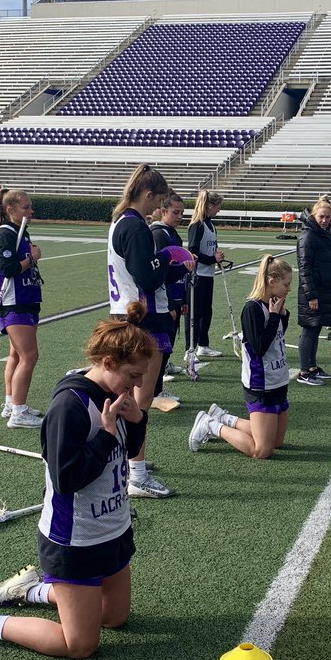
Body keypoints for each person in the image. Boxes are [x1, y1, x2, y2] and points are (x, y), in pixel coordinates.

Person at [0, 304, 155, 659]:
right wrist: (103, 436)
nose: (138, 385)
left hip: (113, 528)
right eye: (133, 375)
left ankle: (32, 590)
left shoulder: (119, 396)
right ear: (107, 362)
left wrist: (137, 421)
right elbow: (68, 479)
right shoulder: (69, 406)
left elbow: (129, 452)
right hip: (76, 538)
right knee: (80, 645)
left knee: (115, 618)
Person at [106, 163, 192, 498]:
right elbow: (146, 275)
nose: (158, 208)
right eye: (157, 200)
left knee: (128, 396)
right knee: (139, 399)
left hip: (127, 313)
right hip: (141, 316)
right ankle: (137, 474)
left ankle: (128, 462)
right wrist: (172, 264)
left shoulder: (121, 222)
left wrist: (165, 264)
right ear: (147, 194)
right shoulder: (135, 226)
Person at [190, 256, 293, 459]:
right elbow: (259, 348)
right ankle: (211, 425)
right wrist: (274, 317)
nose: (288, 288)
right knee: (261, 450)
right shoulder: (252, 309)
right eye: (286, 284)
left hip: (278, 380)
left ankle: (224, 417)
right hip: (261, 384)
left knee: (277, 443)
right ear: (271, 280)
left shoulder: (273, 303)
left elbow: (277, 337)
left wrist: (281, 315)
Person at [0, 188, 43, 428]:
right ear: (10, 209)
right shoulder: (5, 234)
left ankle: (11, 403)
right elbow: (9, 268)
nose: (30, 211)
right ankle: (19, 413)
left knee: (15, 355)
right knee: (29, 356)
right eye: (25, 207)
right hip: (15, 301)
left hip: (26, 299)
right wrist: (31, 258)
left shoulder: (18, 231)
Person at [296, 196, 331, 386]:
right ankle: (304, 371)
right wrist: (311, 294)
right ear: (314, 215)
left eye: (328, 217)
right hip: (313, 291)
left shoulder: (322, 233)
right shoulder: (308, 236)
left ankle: (312, 367)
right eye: (321, 217)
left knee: (316, 328)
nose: (324, 220)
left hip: (323, 288)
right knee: (309, 329)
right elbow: (304, 268)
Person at [150, 191, 188, 395]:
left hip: (174, 294)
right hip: (163, 299)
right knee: (160, 346)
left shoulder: (172, 233)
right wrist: (171, 304)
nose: (180, 216)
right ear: (163, 211)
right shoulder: (158, 234)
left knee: (168, 343)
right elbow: (161, 273)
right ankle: (155, 390)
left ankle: (156, 387)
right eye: (176, 212)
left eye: (182, 212)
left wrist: (182, 299)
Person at [187, 189, 225, 357]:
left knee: (206, 311)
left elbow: (210, 249)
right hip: (197, 276)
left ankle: (203, 344)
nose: (219, 210)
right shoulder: (198, 225)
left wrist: (217, 256)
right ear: (209, 206)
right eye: (218, 206)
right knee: (194, 314)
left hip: (208, 275)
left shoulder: (210, 224)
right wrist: (212, 259)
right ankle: (190, 349)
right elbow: (192, 252)